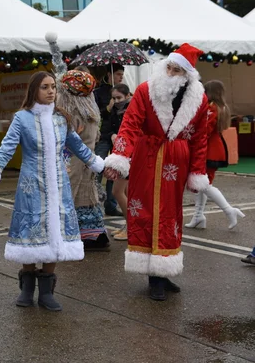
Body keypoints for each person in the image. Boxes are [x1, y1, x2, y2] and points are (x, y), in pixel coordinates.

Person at [0, 71, 104, 311]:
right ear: (34, 90)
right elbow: (6, 149)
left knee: (55, 233)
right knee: (30, 233)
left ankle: (47, 292)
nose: (51, 91)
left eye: (53, 87)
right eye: (45, 87)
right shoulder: (22, 118)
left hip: (59, 186)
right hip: (31, 187)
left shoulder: (62, 119)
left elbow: (78, 147)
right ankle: (27, 289)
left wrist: (101, 165)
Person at [103, 43, 210, 302]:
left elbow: (200, 138)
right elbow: (129, 125)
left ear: (187, 74)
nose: (171, 72)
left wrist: (197, 171)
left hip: (176, 162)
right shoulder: (145, 90)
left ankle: (164, 267)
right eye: (169, 67)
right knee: (145, 210)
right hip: (147, 157)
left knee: (170, 215)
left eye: (177, 69)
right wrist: (120, 157)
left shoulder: (199, 98)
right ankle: (154, 278)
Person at [57, 70, 109, 250]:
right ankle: (96, 234)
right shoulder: (92, 114)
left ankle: (79, 236)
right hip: (89, 163)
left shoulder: (71, 116)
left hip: (73, 163)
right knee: (88, 198)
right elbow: (95, 139)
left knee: (73, 197)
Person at [185, 80, 244, 230]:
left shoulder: (212, 107)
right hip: (214, 147)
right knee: (201, 184)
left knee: (204, 184)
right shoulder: (222, 107)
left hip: (208, 149)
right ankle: (198, 216)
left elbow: (204, 130)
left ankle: (229, 210)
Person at [94, 64, 125, 217]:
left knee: (114, 172)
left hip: (116, 137)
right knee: (98, 170)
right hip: (103, 136)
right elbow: (94, 115)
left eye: (122, 74)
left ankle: (111, 206)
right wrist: (107, 108)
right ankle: (94, 204)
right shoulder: (98, 92)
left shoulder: (123, 90)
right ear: (109, 74)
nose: (121, 77)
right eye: (118, 74)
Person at [108, 84, 133, 241]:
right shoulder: (115, 111)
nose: (117, 101)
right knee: (128, 193)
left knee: (117, 192)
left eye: (119, 98)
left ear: (127, 95)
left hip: (128, 155)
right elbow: (109, 128)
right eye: (114, 98)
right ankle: (130, 225)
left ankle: (131, 226)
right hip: (121, 153)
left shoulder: (131, 109)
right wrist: (112, 134)